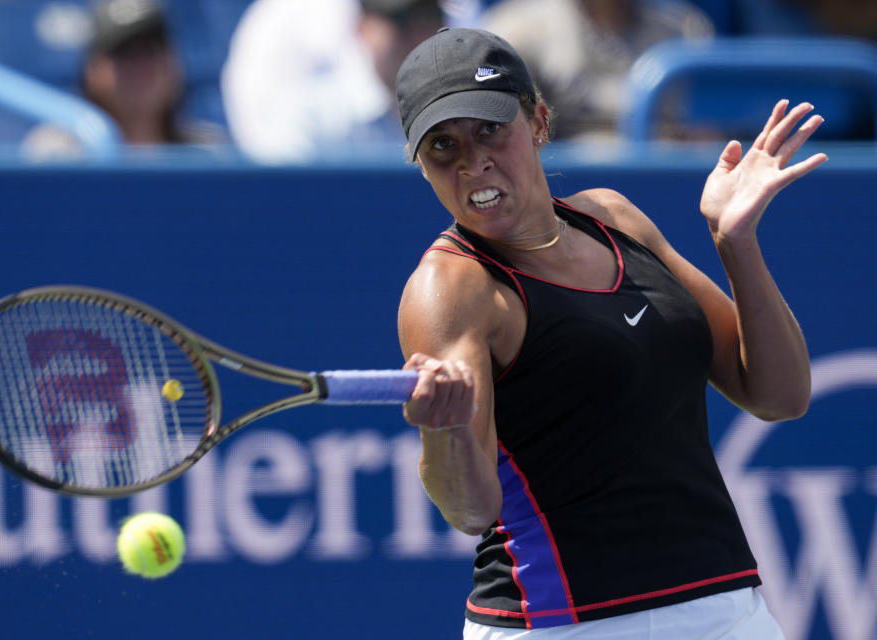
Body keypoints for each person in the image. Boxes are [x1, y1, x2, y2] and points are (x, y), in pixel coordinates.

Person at [394, 28, 825, 638]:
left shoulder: (613, 219)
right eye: (442, 145)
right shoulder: (451, 289)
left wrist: (737, 243)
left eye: (490, 127)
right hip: (564, 624)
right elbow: (470, 509)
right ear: (423, 166)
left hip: (727, 608)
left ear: (538, 120)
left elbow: (780, 396)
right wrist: (441, 429)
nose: (473, 161)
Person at [220, 0, 444, 163]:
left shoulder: (470, 110)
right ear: (362, 29)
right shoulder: (311, 119)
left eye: (432, 18)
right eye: (402, 22)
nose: (420, 37)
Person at [481, 0, 714, 141]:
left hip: (668, 185)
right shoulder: (515, 30)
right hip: (568, 196)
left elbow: (708, 135)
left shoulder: (685, 28)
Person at [22, 0, 225, 159]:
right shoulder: (56, 152)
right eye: (125, 53)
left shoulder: (210, 153)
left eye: (152, 49)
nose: (142, 67)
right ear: (93, 69)